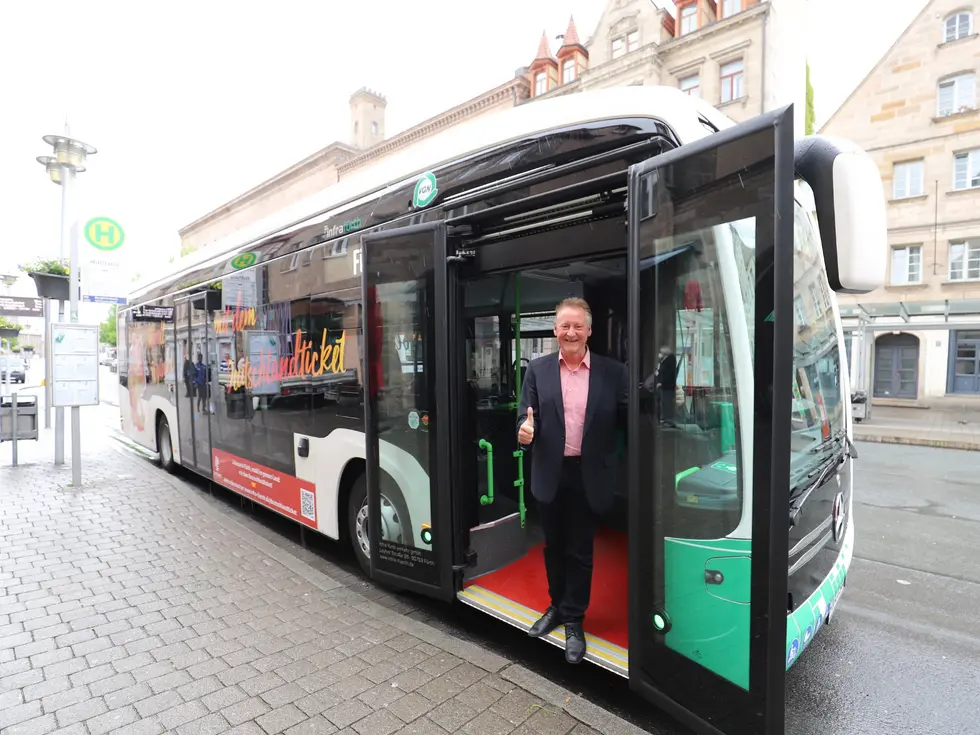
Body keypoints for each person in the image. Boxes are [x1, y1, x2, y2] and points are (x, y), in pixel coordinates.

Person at [516, 297, 627, 664]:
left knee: (580, 551)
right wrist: (524, 430)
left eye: (578, 325)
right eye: (564, 325)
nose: (571, 332)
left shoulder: (613, 373)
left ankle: (574, 620)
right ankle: (556, 607)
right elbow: (523, 416)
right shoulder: (538, 370)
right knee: (553, 546)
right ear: (555, 330)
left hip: (589, 474)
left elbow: (629, 422)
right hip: (550, 471)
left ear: (589, 331)